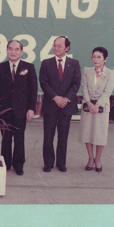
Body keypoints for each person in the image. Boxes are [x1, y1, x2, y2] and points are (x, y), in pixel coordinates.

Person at [0, 40, 38, 175]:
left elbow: (33, 90)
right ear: (6, 51)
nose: (13, 52)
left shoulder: (29, 67)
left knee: (19, 137)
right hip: (4, 110)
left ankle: (19, 165)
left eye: (16, 49)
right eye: (10, 49)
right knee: (5, 138)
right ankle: (5, 163)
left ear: (22, 52)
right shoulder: (0, 68)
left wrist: (31, 109)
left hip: (21, 110)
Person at [39, 36, 81, 172]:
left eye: (59, 46)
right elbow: (43, 82)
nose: (56, 48)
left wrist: (65, 99)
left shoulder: (74, 63)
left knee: (63, 136)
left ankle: (61, 163)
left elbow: (76, 84)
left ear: (67, 48)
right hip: (51, 105)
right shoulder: (46, 63)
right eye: (54, 45)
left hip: (66, 107)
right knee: (48, 136)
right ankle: (48, 163)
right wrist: (55, 97)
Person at [78, 47, 114, 172]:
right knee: (87, 133)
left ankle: (98, 159)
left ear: (105, 59)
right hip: (87, 106)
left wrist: (98, 105)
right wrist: (89, 103)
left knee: (100, 134)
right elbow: (84, 87)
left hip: (102, 108)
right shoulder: (86, 71)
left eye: (99, 57)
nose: (95, 59)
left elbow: (108, 92)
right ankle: (90, 158)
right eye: (93, 56)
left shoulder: (111, 73)